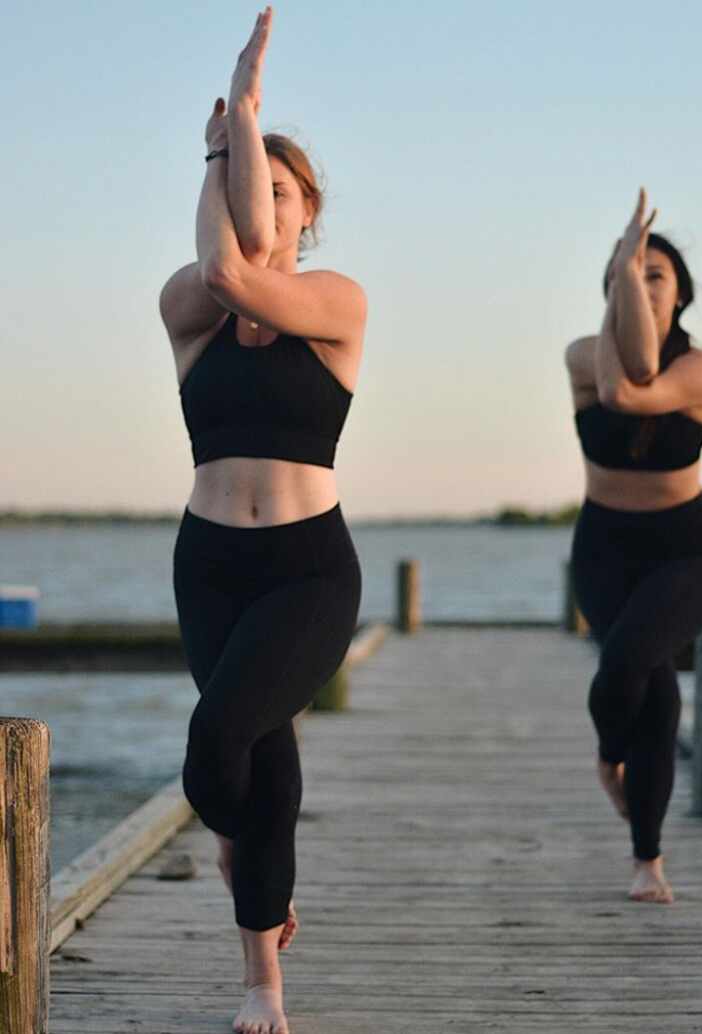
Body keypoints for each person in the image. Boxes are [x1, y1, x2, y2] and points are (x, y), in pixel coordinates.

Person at [159, 9, 365, 1032]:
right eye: (245, 181)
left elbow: (246, 275)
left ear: (307, 211)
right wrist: (224, 137)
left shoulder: (336, 303)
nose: (257, 204)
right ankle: (262, 948)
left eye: (277, 189)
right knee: (245, 766)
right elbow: (217, 275)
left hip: (306, 571)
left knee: (221, 737)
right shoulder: (185, 308)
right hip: (210, 566)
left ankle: (259, 981)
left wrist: (245, 110)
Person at [564, 190, 702, 904]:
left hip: (684, 549)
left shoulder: (700, 371)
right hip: (603, 547)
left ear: (681, 294)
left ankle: (621, 792)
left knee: (634, 661)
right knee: (651, 695)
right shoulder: (579, 355)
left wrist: (629, 264)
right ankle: (646, 855)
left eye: (656, 273)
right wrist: (625, 272)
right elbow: (614, 372)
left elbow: (634, 394)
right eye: (629, 272)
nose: (639, 277)